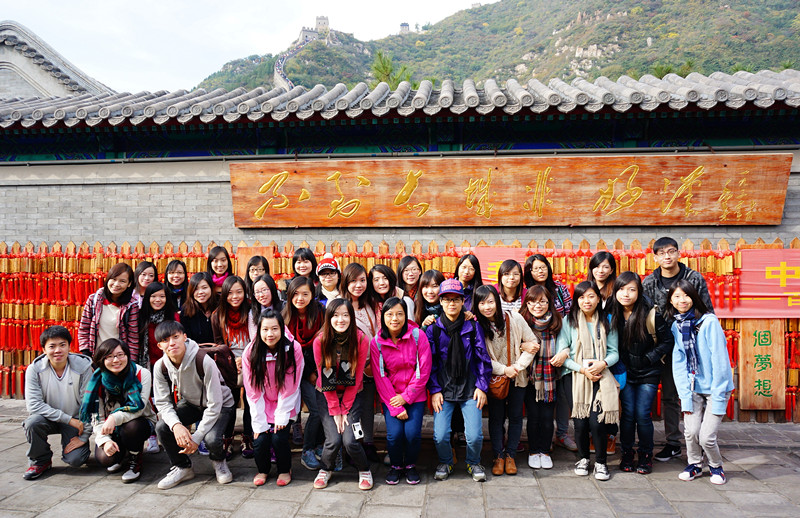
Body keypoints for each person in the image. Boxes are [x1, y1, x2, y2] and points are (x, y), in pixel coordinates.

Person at [642, 236, 714, 463]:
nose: (667, 256)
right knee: (670, 397)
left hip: (691, 347)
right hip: (662, 349)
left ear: (678, 253)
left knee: (697, 393)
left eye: (671, 251)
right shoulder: (649, 282)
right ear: (655, 257)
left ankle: (701, 441)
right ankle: (673, 443)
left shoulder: (693, 278)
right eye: (662, 253)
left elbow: (706, 311)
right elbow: (644, 316)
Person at [152, 321, 236, 489]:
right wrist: (176, 425)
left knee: (211, 438)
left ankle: (219, 462)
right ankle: (183, 467)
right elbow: (163, 403)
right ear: (159, 345)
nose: (172, 343)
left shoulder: (203, 360)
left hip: (221, 405)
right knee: (162, 427)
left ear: (184, 337)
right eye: (166, 340)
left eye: (176, 337)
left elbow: (215, 404)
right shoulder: (160, 366)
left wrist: (196, 438)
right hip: (192, 402)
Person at [665, 280, 733, 485]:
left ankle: (716, 466)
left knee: (706, 437)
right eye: (677, 296)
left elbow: (720, 360)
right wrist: (684, 394)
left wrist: (718, 393)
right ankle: (694, 464)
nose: (682, 300)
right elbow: (679, 363)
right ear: (671, 301)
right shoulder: (676, 326)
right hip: (693, 387)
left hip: (715, 388)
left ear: (694, 298)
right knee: (691, 432)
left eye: (686, 295)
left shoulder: (709, 322)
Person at [427, 279, 491, 483]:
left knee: (474, 436)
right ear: (440, 302)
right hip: (444, 389)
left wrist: (481, 387)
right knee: (440, 435)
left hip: (470, 388)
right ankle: (446, 462)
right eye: (447, 300)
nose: (451, 304)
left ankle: (474, 462)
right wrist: (435, 390)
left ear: (463, 301)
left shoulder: (472, 326)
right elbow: (429, 363)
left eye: (456, 299)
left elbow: (482, 359)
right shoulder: (433, 329)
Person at [555, 281, 619, 481]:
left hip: (600, 374)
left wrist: (602, 364)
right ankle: (583, 459)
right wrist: (583, 370)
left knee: (597, 421)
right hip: (575, 376)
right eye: (582, 297)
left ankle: (601, 462)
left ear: (599, 299)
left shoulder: (607, 321)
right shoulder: (569, 321)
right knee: (580, 422)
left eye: (591, 296)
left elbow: (614, 352)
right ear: (576, 300)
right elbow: (562, 354)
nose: (586, 301)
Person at [611, 271, 672, 474]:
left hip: (648, 373)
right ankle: (627, 453)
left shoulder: (651, 313)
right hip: (624, 372)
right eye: (621, 289)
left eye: (631, 289)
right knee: (628, 414)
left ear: (639, 292)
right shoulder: (612, 313)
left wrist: (648, 358)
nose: (626, 294)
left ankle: (646, 455)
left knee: (643, 414)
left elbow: (667, 341)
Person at [474, 285, 538, 476]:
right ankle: (498, 456)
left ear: (497, 301)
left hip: (518, 377)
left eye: (490, 302)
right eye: (482, 303)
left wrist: (517, 367)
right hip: (495, 380)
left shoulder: (515, 318)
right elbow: (482, 358)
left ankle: (510, 455)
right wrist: (504, 370)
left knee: (516, 417)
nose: (487, 307)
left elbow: (532, 343)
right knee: (496, 418)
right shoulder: (478, 326)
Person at [312, 299, 373, 491]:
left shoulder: (361, 339)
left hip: (353, 394)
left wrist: (345, 408)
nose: (341, 320)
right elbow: (324, 378)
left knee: (351, 440)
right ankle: (325, 468)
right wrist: (335, 410)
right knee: (333, 440)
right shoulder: (320, 341)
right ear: (328, 318)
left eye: (345, 315)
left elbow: (357, 378)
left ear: (351, 317)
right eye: (336, 315)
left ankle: (364, 469)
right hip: (326, 394)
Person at [371, 297, 432, 485]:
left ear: (406, 315)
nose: (394, 319)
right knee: (395, 434)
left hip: (415, 395)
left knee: (412, 434)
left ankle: (411, 465)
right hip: (391, 397)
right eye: (389, 314)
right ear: (383, 317)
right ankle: (396, 466)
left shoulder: (418, 336)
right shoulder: (377, 342)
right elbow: (380, 376)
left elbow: (423, 370)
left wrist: (406, 397)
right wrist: (396, 405)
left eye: (399, 314)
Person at [242, 308, 303, 487]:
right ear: (259, 330)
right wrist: (259, 420)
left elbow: (291, 385)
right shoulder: (250, 352)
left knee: (279, 437)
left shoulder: (293, 348)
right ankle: (263, 469)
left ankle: (284, 469)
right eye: (265, 329)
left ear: (282, 329)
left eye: (275, 329)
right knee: (260, 438)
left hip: (286, 401)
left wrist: (282, 415)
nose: (270, 334)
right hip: (262, 401)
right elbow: (252, 389)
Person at [81, 338, 156, 483]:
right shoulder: (96, 381)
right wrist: (105, 441)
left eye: (120, 355)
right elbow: (97, 419)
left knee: (132, 427)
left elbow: (139, 409)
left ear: (127, 355)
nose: (116, 360)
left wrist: (114, 417)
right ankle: (122, 452)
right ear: (102, 360)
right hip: (111, 428)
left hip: (141, 422)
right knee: (105, 459)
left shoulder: (141, 374)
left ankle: (135, 458)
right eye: (109, 357)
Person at [22, 326, 93, 480]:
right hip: (49, 419)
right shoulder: (35, 369)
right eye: (52, 346)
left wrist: (84, 436)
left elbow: (88, 404)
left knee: (76, 460)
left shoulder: (83, 367)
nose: (57, 350)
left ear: (69, 347)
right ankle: (40, 460)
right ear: (43, 349)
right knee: (32, 422)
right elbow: (34, 405)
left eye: (62, 345)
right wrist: (69, 420)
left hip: (76, 419)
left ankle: (78, 451)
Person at [523, 254, 576, 452]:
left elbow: (571, 320)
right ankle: (540, 443)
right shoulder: (526, 292)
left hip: (558, 349)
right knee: (535, 411)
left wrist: (566, 349)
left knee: (560, 398)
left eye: (543, 267)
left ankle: (560, 434)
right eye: (535, 268)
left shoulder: (560, 289)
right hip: (533, 363)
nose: (540, 271)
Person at [211, 276, 257, 458]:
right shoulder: (218, 315)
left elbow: (257, 339)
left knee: (250, 401)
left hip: (251, 361)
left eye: (239, 292)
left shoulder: (252, 311)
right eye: (230, 293)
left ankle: (248, 436)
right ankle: (227, 437)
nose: (235, 296)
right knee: (229, 402)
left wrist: (244, 359)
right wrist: (231, 360)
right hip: (228, 364)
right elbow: (218, 344)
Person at [283, 276, 326, 470]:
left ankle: (318, 445)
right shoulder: (284, 317)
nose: (300, 298)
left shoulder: (321, 313)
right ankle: (307, 450)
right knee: (315, 410)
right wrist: (309, 373)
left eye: (305, 294)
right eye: (296, 294)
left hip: (319, 368)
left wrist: (317, 372)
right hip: (293, 372)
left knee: (322, 409)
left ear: (312, 295)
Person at [340, 263, 381, 462]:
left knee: (367, 408)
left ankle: (368, 443)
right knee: (353, 408)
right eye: (353, 281)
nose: (358, 285)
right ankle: (355, 444)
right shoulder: (340, 305)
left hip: (370, 366)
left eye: (363, 280)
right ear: (345, 282)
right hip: (350, 367)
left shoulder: (371, 304)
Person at [519, 285, 562, 471]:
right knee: (533, 417)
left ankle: (544, 451)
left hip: (551, 379)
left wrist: (564, 353)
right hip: (530, 378)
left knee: (547, 417)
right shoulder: (521, 322)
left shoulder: (557, 323)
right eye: (533, 302)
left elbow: (567, 344)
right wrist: (522, 346)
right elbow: (513, 344)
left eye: (542, 301)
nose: (538, 305)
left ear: (549, 303)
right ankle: (533, 451)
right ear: (527, 303)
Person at [78, 263, 140, 363]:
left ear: (129, 284)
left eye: (122, 281)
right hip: (96, 357)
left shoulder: (131, 306)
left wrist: (130, 362)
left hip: (118, 360)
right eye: (113, 279)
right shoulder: (94, 300)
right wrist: (87, 356)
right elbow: (84, 328)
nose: (116, 284)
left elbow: (133, 338)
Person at [138, 281, 180, 368]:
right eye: (153, 296)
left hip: (170, 364)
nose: (158, 300)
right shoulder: (140, 317)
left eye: (162, 296)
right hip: (147, 365)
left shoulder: (174, 317)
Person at [180, 272, 218, 345]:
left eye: (204, 288)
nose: (200, 292)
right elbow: (186, 340)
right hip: (196, 350)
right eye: (196, 289)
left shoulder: (220, 306)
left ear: (211, 288)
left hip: (220, 349)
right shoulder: (186, 310)